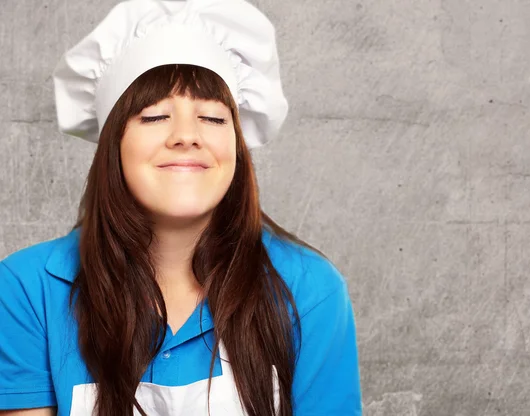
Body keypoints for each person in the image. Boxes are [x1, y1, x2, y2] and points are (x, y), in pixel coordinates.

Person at [0, 0, 362, 415]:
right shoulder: (26, 290)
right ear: (112, 146)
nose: (186, 135)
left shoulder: (309, 289)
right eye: (154, 116)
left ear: (237, 149)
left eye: (212, 118)